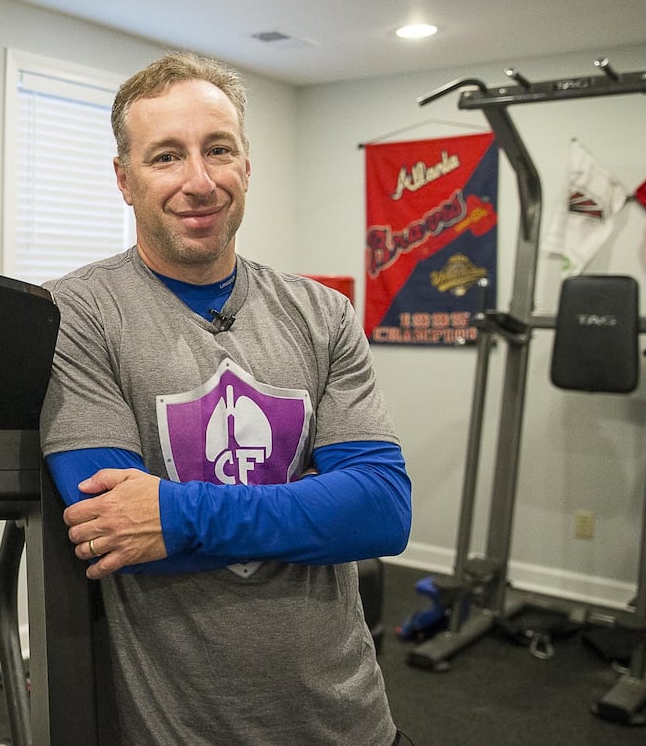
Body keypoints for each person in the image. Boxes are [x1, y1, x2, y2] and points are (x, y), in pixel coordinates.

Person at [38, 52, 412, 746]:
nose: (199, 181)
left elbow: (382, 513)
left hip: (350, 719)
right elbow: (109, 526)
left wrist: (173, 513)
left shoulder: (322, 313)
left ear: (247, 165)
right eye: (167, 157)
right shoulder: (76, 315)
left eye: (219, 151)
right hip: (183, 727)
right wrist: (312, 507)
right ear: (124, 179)